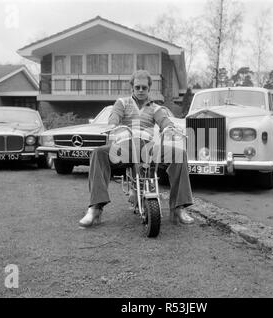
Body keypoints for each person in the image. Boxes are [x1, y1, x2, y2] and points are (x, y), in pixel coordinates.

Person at [79, 70, 194, 227]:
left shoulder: (155, 108)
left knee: (179, 154)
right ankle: (95, 208)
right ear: (132, 88)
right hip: (125, 147)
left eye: (144, 88)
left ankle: (179, 208)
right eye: (137, 87)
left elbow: (164, 121)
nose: (141, 90)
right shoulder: (122, 103)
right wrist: (113, 124)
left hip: (148, 148)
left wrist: (169, 128)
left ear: (149, 89)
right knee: (98, 153)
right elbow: (115, 116)